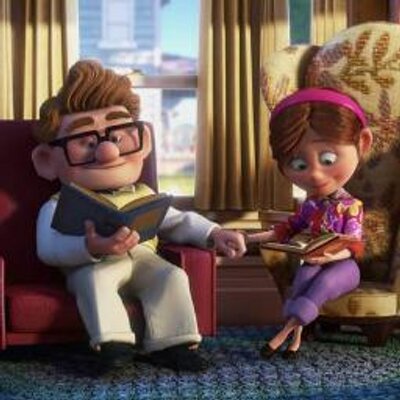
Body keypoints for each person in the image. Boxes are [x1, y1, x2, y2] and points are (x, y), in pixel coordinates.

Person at [31, 60, 246, 372]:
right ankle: (113, 344)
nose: (108, 152)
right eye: (85, 143)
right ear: (47, 161)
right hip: (91, 265)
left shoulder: (143, 193)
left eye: (118, 137)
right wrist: (90, 248)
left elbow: (178, 221)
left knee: (171, 276)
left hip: (143, 259)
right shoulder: (57, 204)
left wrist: (213, 233)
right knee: (95, 279)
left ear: (143, 141)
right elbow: (48, 248)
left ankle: (173, 344)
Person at [247, 87, 372, 359]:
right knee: (303, 278)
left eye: (328, 159)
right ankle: (296, 341)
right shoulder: (311, 205)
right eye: (299, 164)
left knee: (322, 285)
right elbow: (287, 228)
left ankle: (281, 336)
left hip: (344, 267)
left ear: (362, 143)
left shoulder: (352, 206)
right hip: (314, 260)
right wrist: (251, 238)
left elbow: (354, 246)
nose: (315, 174)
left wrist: (329, 256)